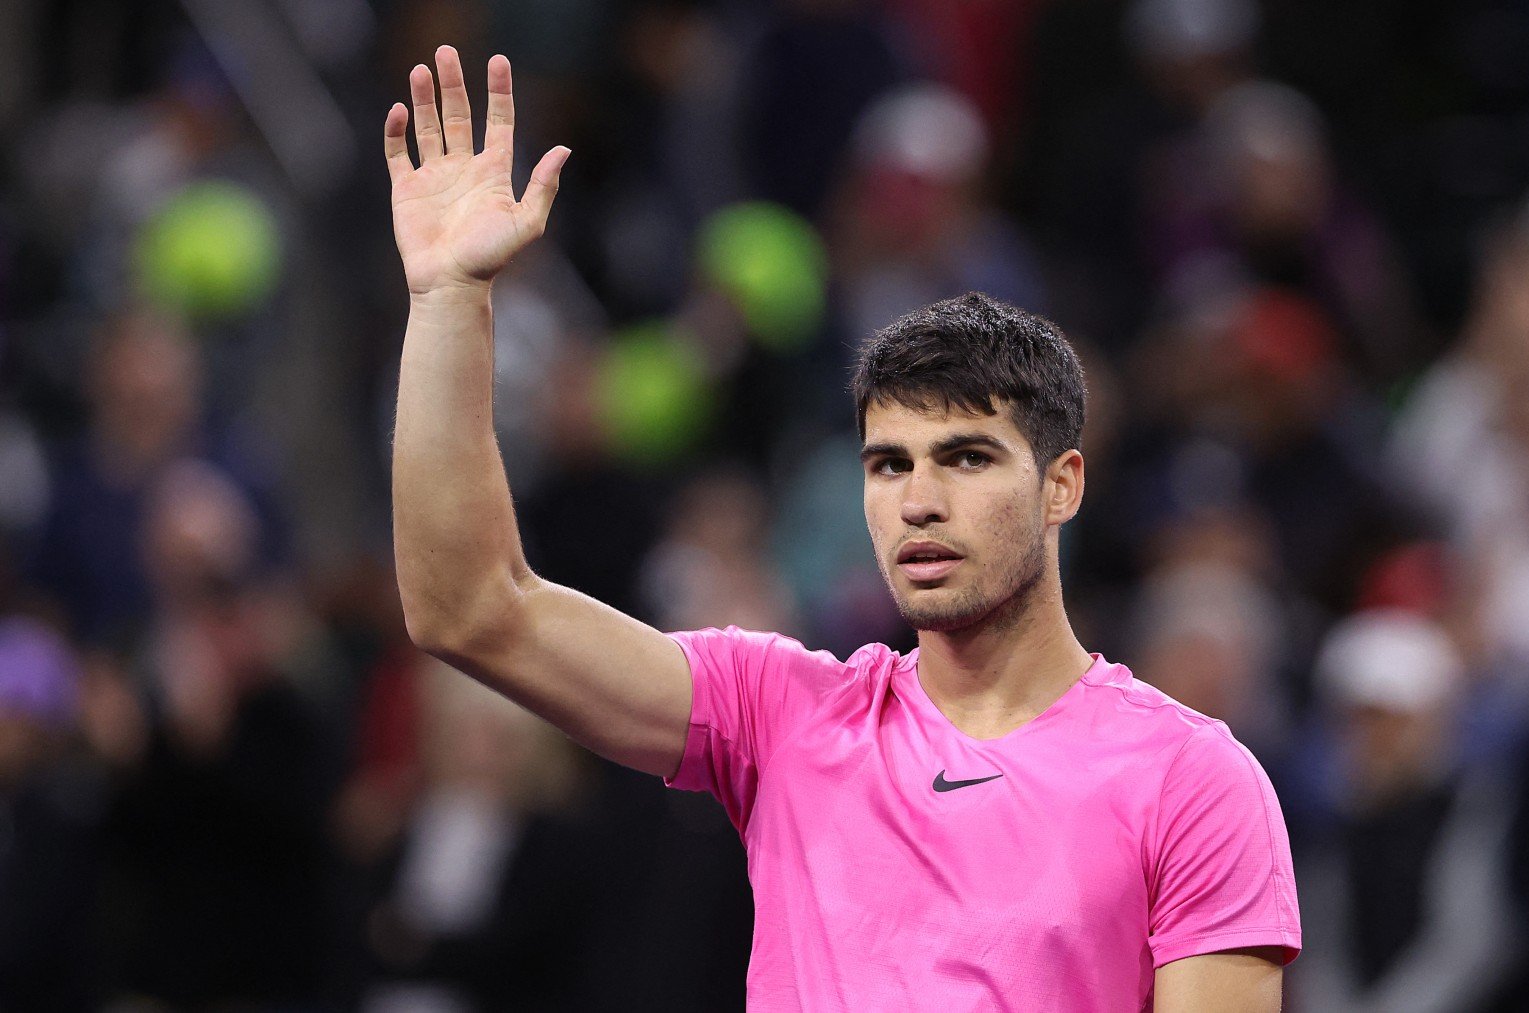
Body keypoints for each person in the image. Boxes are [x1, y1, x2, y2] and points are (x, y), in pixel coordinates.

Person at [384, 45, 1301, 1010]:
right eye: (889, 464)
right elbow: (471, 609)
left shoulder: (1193, 780)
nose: (919, 500)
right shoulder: (783, 716)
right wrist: (448, 299)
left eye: (968, 458)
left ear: (1062, 486)